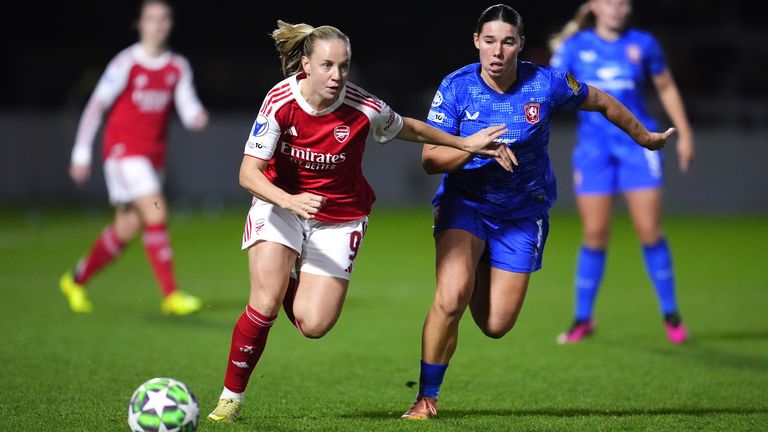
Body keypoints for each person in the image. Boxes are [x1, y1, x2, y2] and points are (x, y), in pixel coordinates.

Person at [206, 20, 514, 423]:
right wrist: (291, 200)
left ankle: (287, 279)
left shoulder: (362, 107)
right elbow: (249, 174)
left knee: (313, 325)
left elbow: (409, 127)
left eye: (344, 66)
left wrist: (464, 143)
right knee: (263, 303)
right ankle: (230, 400)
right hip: (280, 203)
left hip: (340, 216)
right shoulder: (280, 100)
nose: (337, 76)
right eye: (328, 66)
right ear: (306, 65)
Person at [401, 4, 677, 420]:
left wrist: (645, 137)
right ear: (476, 42)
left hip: (521, 214)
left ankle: (476, 267)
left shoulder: (545, 83)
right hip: (467, 204)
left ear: (520, 46)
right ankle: (425, 398)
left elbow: (600, 100)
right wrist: (469, 146)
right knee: (452, 295)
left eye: (507, 42)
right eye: (489, 41)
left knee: (495, 325)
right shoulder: (456, 87)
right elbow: (429, 159)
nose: (497, 51)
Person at [548, 0, 694, 345]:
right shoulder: (575, 47)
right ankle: (583, 318)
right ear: (595, 6)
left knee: (649, 231)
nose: (616, 7)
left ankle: (671, 314)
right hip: (593, 151)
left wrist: (685, 134)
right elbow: (547, 90)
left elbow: (667, 86)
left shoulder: (643, 44)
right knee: (595, 234)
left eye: (622, 2)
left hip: (637, 149)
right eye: (609, 1)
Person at [59, 0, 209, 316]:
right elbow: (96, 106)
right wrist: (81, 152)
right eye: (151, 19)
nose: (158, 25)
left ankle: (75, 279)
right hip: (123, 154)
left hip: (153, 158)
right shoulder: (125, 63)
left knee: (127, 227)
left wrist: (196, 115)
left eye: (164, 19)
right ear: (139, 24)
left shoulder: (177, 66)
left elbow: (187, 104)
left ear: (170, 25)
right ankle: (171, 295)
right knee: (157, 210)